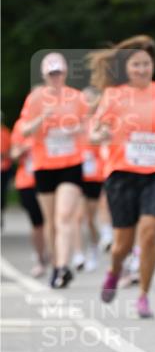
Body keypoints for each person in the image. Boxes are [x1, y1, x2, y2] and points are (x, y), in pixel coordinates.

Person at [87, 35, 155, 318]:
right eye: (136, 65)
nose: (142, 69)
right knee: (122, 245)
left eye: (146, 64)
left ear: (153, 65)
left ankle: (143, 295)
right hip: (122, 174)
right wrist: (100, 134)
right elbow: (94, 132)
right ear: (127, 68)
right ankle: (114, 270)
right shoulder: (114, 95)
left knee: (150, 234)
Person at [17, 53, 87, 287]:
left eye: (59, 73)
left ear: (65, 73)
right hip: (44, 165)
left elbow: (89, 128)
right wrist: (42, 118)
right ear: (45, 75)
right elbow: (25, 130)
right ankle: (57, 265)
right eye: (51, 73)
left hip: (71, 163)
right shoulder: (35, 99)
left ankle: (61, 266)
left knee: (64, 216)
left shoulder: (77, 98)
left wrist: (77, 129)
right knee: (50, 221)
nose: (56, 77)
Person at [73, 85, 105, 272]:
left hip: (95, 174)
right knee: (77, 217)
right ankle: (78, 254)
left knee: (90, 218)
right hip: (76, 173)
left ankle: (93, 247)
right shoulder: (73, 121)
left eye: (89, 99)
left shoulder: (99, 122)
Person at [10, 120, 48, 275]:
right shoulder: (21, 125)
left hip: (48, 179)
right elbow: (13, 154)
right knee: (37, 223)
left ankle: (57, 259)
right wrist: (23, 149)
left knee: (53, 220)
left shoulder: (56, 119)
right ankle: (40, 259)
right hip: (27, 181)